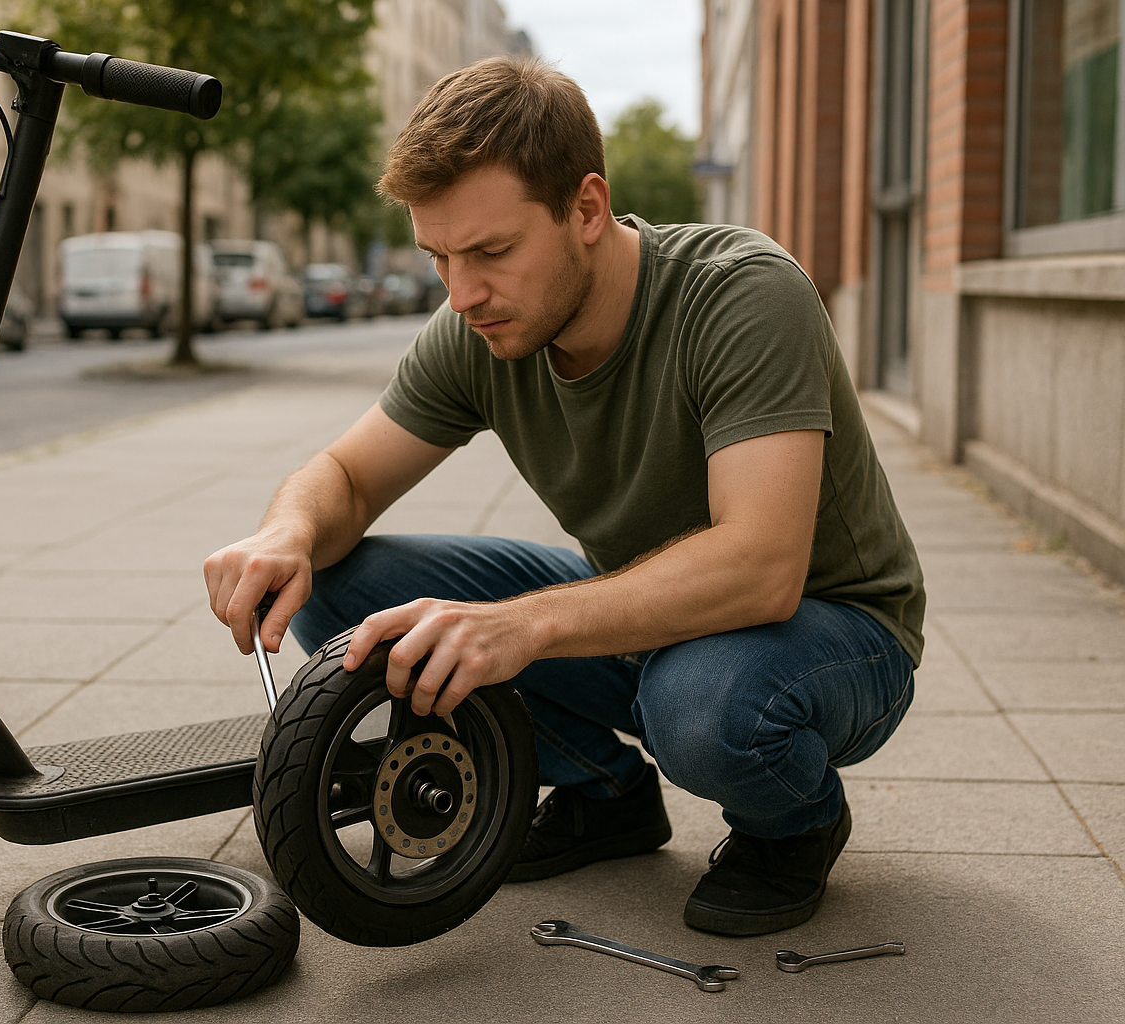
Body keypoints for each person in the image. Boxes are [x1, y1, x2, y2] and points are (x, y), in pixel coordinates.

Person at [203, 56, 923, 937]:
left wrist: (523, 627)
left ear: (585, 209)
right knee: (352, 597)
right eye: (438, 257)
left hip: (830, 635)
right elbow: (347, 478)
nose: (462, 294)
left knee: (701, 706)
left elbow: (761, 568)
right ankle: (605, 794)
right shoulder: (479, 325)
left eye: (491, 252)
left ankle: (795, 824)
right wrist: (286, 532)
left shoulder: (742, 293)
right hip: (645, 621)